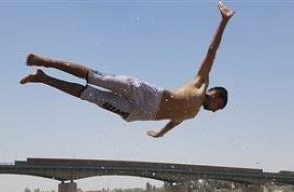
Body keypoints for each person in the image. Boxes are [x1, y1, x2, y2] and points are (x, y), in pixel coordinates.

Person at [20, 1, 235, 138]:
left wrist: (159, 134)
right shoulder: (201, 83)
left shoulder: (194, 114)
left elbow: (173, 122)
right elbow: (211, 52)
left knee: (89, 95)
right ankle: (46, 61)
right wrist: (224, 21)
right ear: (216, 95)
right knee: (96, 78)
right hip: (147, 92)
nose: (216, 111)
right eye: (219, 105)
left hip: (139, 113)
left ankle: (43, 78)